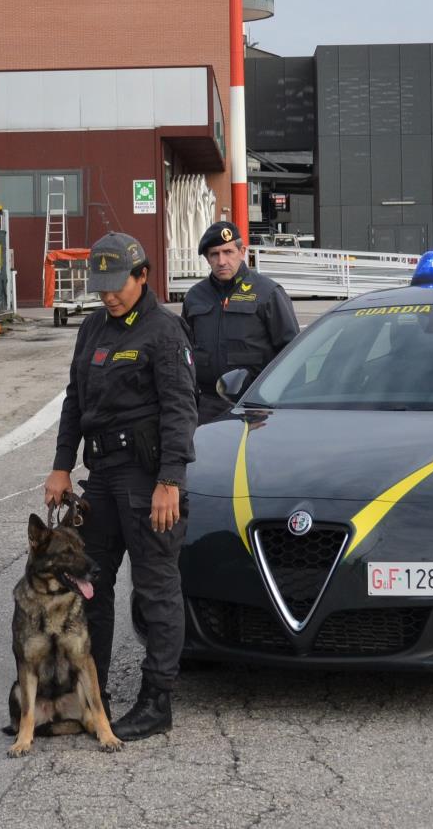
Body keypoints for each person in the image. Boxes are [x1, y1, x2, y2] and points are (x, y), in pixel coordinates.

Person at [43, 232, 197, 741]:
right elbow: (74, 400)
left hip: (146, 477)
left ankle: (156, 702)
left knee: (156, 589)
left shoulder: (164, 332)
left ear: (143, 276)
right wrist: (62, 465)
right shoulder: (91, 328)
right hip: (102, 477)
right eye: (100, 286)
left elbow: (180, 410)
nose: (107, 295)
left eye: (117, 286)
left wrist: (170, 479)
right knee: (90, 586)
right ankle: (93, 697)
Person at [181, 220, 298, 423]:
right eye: (214, 254)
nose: (222, 261)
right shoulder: (195, 297)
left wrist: (282, 403)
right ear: (207, 259)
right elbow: (184, 352)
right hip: (206, 407)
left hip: (257, 406)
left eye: (228, 252)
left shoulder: (267, 293)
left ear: (242, 251)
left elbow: (293, 354)